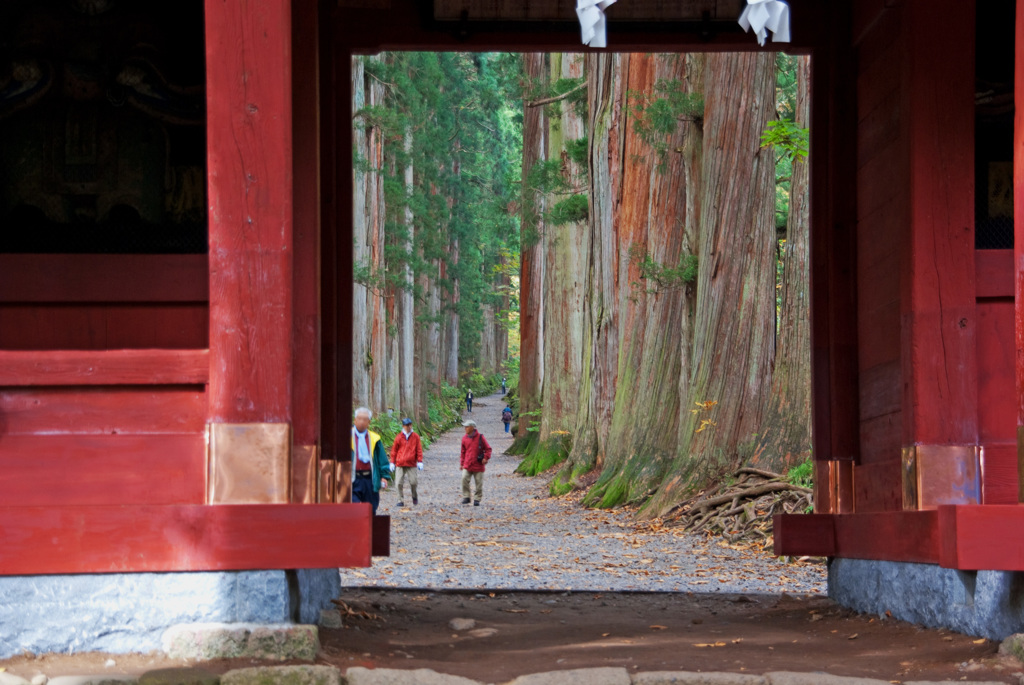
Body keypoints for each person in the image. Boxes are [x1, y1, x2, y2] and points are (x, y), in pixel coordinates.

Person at [351, 406, 393, 514]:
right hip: (352, 478)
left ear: (369, 422)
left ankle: (369, 530)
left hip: (370, 478)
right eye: (359, 419)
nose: (361, 422)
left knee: (371, 508)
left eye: (364, 419)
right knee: (353, 506)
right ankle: (356, 529)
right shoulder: (347, 436)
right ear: (355, 420)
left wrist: (384, 476)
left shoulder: (375, 438)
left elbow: (381, 459)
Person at [389, 417, 424, 506]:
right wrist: (392, 462)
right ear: (403, 426)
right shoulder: (399, 437)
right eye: (406, 425)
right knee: (398, 483)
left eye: (409, 425)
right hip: (400, 463)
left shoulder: (415, 436)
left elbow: (419, 449)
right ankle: (400, 500)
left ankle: (414, 496)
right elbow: (394, 451)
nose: (408, 427)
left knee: (413, 482)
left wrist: (420, 461)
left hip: (411, 463)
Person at [459, 419, 491, 506]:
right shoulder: (464, 438)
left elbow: (488, 449)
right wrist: (461, 463)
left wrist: (486, 458)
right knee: (464, 479)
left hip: (478, 465)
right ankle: (466, 497)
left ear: (472, 427)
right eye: (465, 426)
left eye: (467, 426)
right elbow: (463, 451)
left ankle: (477, 499)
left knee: (479, 483)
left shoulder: (480, 437)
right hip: (467, 464)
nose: (465, 428)